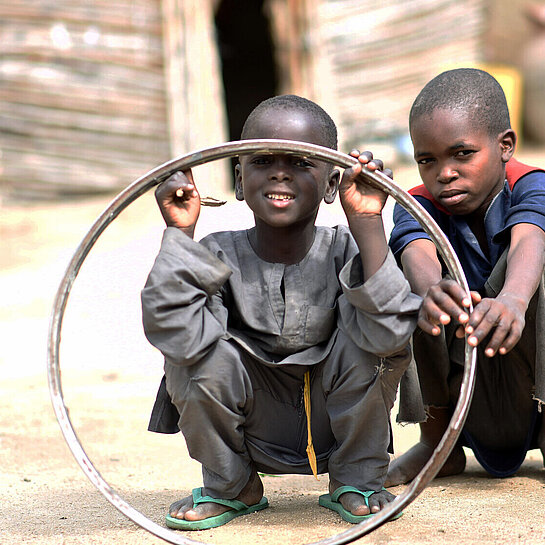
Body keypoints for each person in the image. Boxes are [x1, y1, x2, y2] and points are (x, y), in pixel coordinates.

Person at [141, 94, 421, 530]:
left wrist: (367, 223)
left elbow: (391, 337)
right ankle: (232, 485)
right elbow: (173, 334)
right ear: (239, 179)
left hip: (339, 425)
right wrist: (180, 231)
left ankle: (357, 478)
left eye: (300, 162)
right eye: (262, 160)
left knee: (373, 341)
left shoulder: (350, 250)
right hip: (255, 428)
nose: (279, 172)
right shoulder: (214, 253)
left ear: (331, 184)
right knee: (193, 355)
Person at [386, 68, 545, 487]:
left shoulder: (532, 186)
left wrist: (514, 299)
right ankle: (437, 442)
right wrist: (430, 292)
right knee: (408, 291)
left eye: (462, 154)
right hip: (466, 394)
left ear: (505, 145)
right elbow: (416, 249)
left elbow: (531, 237)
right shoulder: (416, 203)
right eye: (427, 160)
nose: (445, 173)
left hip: (530, 385)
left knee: (539, 271)